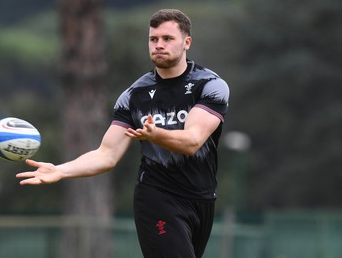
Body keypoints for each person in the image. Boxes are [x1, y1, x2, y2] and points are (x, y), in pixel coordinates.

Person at [16, 9, 229, 258]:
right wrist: (60, 170)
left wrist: (155, 134)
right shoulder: (134, 96)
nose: (159, 45)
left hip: (202, 199)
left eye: (167, 38)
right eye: (153, 39)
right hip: (157, 198)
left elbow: (192, 141)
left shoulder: (210, 86)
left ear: (186, 43)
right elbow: (107, 154)